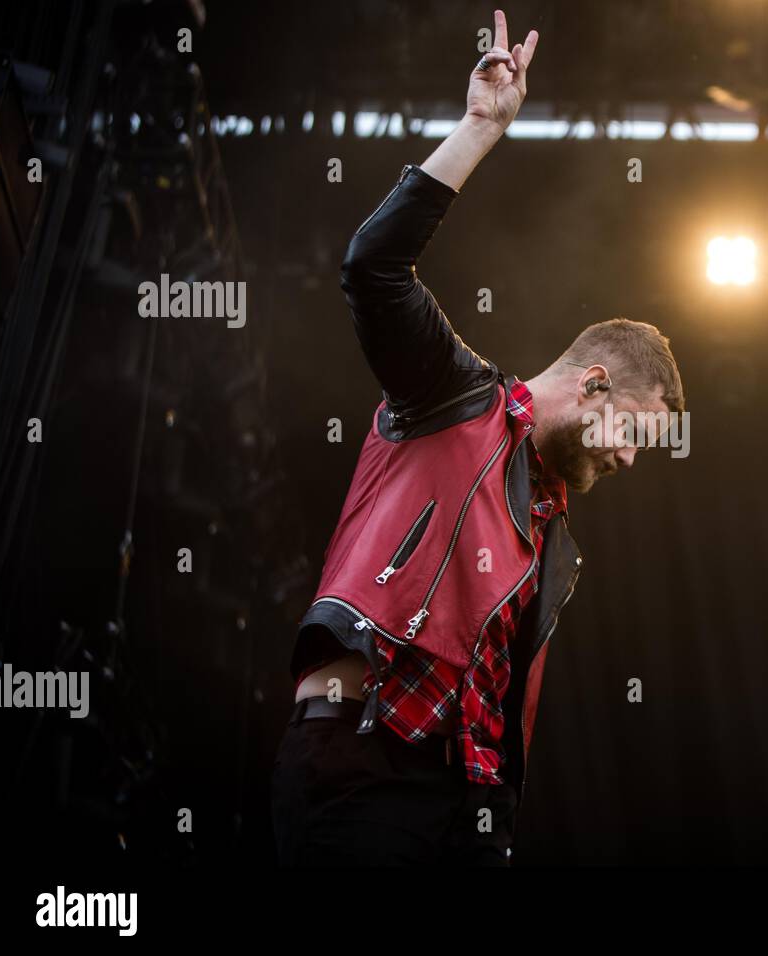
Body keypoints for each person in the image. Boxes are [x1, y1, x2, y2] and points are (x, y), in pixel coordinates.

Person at [270, 9, 685, 866]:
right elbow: (374, 269)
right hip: (362, 762)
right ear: (596, 384)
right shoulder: (455, 396)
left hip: (462, 807)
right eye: (636, 431)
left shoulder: (554, 538)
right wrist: (478, 129)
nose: (633, 457)